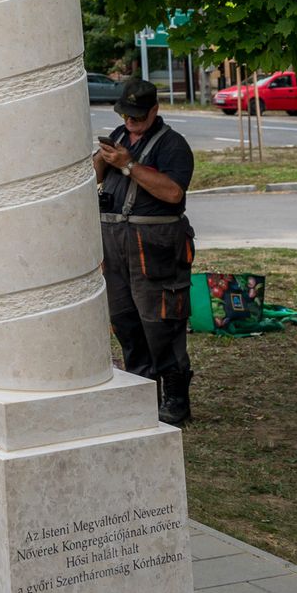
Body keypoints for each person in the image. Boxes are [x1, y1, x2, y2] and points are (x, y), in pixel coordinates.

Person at [94, 78, 196, 427]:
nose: (131, 122)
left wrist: (128, 165)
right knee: (125, 321)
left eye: (138, 116)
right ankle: (141, 392)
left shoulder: (173, 145)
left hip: (155, 247)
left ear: (155, 110)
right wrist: (102, 159)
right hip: (116, 243)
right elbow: (92, 177)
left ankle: (176, 398)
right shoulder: (120, 137)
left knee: (161, 323)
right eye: (126, 115)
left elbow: (172, 194)